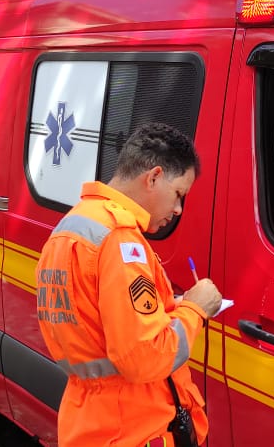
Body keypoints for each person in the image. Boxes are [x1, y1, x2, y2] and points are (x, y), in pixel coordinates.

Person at [35, 122, 222, 447]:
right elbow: (143, 357)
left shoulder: (72, 226)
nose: (178, 209)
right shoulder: (120, 240)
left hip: (90, 421)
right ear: (153, 177)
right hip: (133, 427)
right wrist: (195, 310)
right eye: (179, 194)